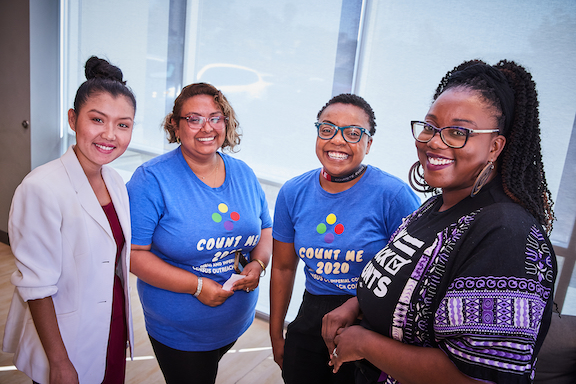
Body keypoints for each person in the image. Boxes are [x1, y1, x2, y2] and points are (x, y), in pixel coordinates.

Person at [322, 60, 557, 384]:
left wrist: (364, 343)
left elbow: (479, 378)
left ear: (495, 146)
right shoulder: (438, 206)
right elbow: (411, 287)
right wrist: (358, 304)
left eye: (458, 132)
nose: (434, 141)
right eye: (431, 127)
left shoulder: (506, 234)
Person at [127, 82, 272, 384]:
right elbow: (134, 255)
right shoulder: (151, 179)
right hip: (181, 333)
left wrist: (258, 264)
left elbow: (266, 228)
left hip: (234, 323)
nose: (206, 127)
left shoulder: (243, 172)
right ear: (176, 127)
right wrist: (196, 286)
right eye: (193, 119)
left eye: (215, 117)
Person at [2, 56, 136, 384]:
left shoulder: (115, 181)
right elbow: (37, 287)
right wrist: (60, 363)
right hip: (65, 336)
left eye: (123, 124)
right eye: (97, 120)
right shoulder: (41, 187)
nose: (110, 135)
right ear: (73, 120)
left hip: (111, 320)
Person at [270, 93, 421, 384]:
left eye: (353, 133)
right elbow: (283, 268)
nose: (337, 140)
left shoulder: (394, 196)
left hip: (372, 324)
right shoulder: (293, 192)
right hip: (311, 315)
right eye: (327, 129)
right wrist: (276, 334)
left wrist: (360, 308)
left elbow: (413, 278)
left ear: (369, 143)